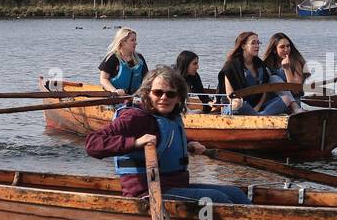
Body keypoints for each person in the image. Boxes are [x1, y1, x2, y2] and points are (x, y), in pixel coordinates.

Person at [85, 66, 250, 204]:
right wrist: (134, 143)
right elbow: (93, 144)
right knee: (216, 199)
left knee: (236, 193)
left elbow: (165, 138)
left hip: (175, 186)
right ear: (147, 93)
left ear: (179, 97)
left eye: (170, 94)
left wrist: (189, 143)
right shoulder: (134, 117)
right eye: (158, 93)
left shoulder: (168, 115)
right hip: (148, 194)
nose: (164, 98)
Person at [218, 31, 296, 115]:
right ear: (243, 46)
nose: (257, 46)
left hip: (257, 107)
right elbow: (231, 96)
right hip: (239, 106)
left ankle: (259, 115)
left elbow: (264, 90)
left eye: (258, 43)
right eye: (253, 43)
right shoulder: (231, 66)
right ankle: (260, 115)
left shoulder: (260, 64)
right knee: (236, 103)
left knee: (286, 99)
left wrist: (257, 107)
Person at [98, 27, 148, 96]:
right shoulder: (112, 58)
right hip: (115, 97)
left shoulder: (140, 58)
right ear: (122, 42)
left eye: (135, 40)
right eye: (132, 40)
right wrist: (114, 91)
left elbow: (147, 79)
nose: (136, 43)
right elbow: (103, 79)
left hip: (136, 97)